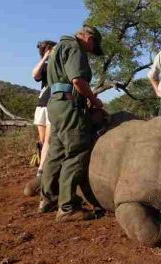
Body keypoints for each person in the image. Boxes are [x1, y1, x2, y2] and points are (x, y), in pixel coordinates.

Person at [39, 24, 104, 222]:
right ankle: (67, 208)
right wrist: (95, 101)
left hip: (55, 105)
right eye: (93, 48)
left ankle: (48, 198)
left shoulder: (58, 47)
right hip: (69, 106)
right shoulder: (75, 48)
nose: (91, 52)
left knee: (55, 152)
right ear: (89, 39)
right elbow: (77, 80)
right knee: (76, 151)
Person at [24, 40, 56, 197]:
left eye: (51, 48)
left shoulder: (59, 64)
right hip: (42, 105)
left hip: (54, 105)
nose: (50, 51)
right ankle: (45, 165)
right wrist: (44, 58)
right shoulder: (44, 66)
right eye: (47, 49)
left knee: (49, 141)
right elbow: (34, 74)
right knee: (43, 141)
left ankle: (41, 171)